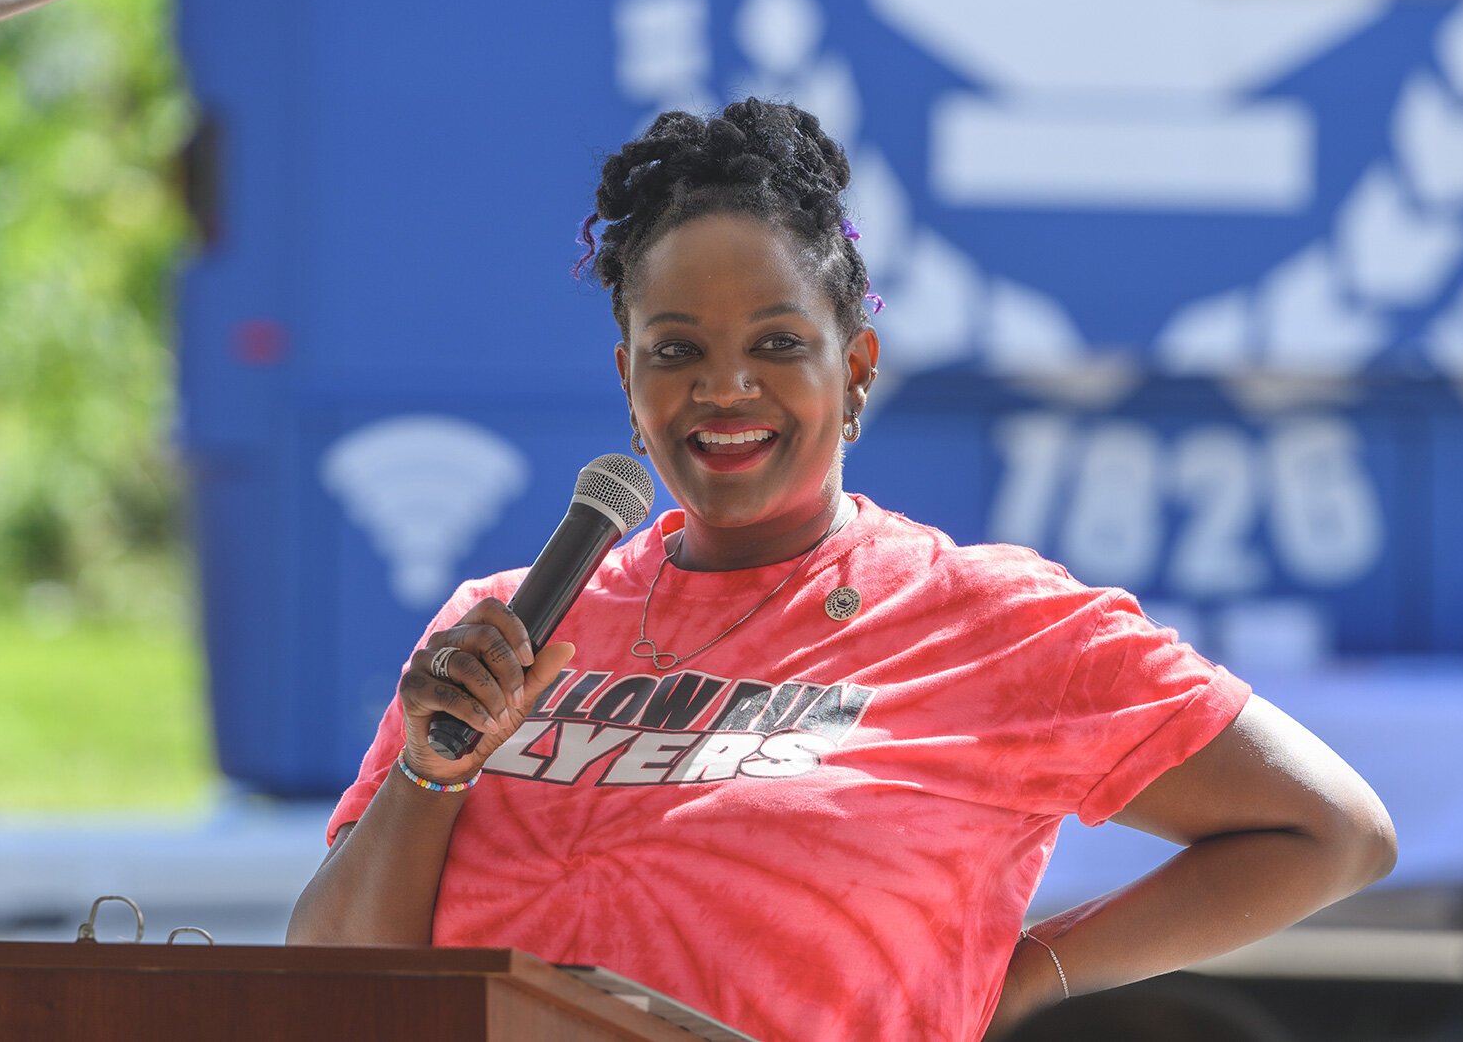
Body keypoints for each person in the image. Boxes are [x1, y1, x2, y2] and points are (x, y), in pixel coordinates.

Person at [287, 98, 1397, 1041]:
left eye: (776, 343)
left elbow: (1329, 831)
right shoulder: (498, 628)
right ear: (630, 381)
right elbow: (336, 979)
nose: (724, 387)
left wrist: (1026, 976)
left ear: (855, 367)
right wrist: (433, 772)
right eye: (677, 351)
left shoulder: (992, 623)